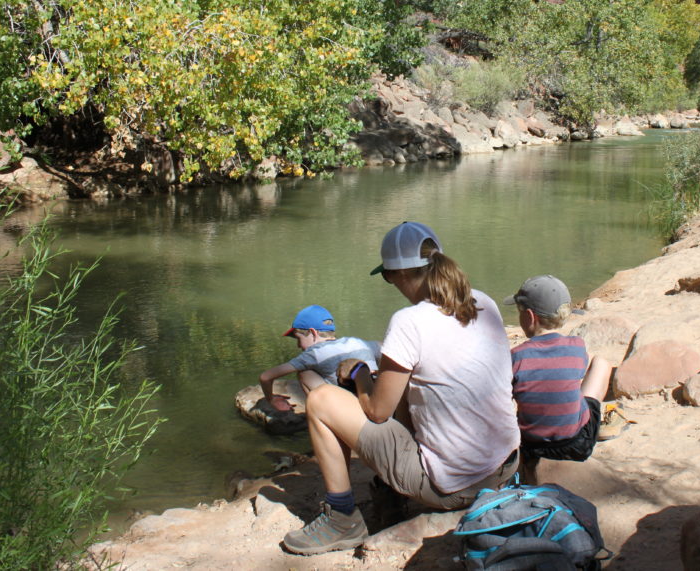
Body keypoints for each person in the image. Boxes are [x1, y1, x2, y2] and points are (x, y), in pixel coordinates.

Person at [282, 222, 520, 556]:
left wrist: (361, 374)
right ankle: (390, 492)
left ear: (398, 274)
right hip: (506, 466)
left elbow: (377, 411)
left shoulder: (409, 321)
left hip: (455, 488)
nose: (390, 283)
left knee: (321, 400)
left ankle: (341, 519)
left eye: (387, 276)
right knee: (405, 387)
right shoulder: (483, 301)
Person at [504, 275, 612, 485]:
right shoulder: (576, 346)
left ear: (529, 316)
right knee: (601, 363)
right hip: (578, 445)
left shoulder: (516, 355)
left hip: (532, 447)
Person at [258, 304, 379, 413]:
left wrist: (271, 399)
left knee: (304, 373)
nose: (299, 346)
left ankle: (323, 420)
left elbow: (265, 377)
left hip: (351, 412)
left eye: (299, 339)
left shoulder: (314, 354)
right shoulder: (358, 342)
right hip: (378, 403)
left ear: (313, 333)